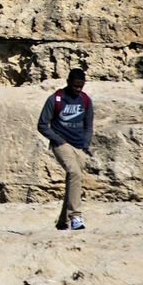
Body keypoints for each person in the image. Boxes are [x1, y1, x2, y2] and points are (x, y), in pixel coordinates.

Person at [38, 68, 94, 231]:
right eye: (75, 85)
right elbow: (42, 125)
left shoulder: (85, 100)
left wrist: (85, 144)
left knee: (73, 180)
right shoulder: (55, 99)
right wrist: (58, 140)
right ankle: (76, 216)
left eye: (81, 86)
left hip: (79, 145)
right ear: (68, 82)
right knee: (74, 173)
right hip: (61, 144)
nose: (78, 89)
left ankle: (62, 221)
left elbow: (88, 125)